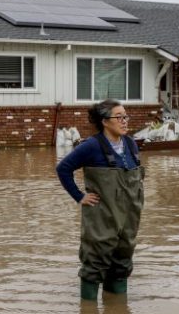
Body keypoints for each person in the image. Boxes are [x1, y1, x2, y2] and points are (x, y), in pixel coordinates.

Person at [56, 99, 145, 301]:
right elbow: (63, 169)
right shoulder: (91, 146)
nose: (124, 121)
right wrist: (80, 197)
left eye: (126, 116)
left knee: (122, 262)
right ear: (105, 121)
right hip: (101, 217)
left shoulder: (131, 144)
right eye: (119, 117)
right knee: (94, 262)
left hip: (129, 217)